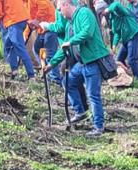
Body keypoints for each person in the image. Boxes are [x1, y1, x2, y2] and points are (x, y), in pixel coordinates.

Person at [42, 0, 110, 136]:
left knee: (93, 95)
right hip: (82, 63)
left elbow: (87, 32)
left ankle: (98, 127)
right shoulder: (70, 24)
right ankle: (80, 112)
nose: (60, 13)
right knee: (68, 82)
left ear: (66, 5)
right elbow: (64, 49)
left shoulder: (85, 13)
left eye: (60, 9)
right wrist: (51, 65)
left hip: (93, 61)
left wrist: (70, 41)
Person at [0, 0, 35, 79]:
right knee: (8, 45)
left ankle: (31, 75)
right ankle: (14, 71)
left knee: (19, 47)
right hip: (22, 18)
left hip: (13, 20)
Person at [103, 0, 138, 78]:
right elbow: (117, 33)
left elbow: (116, 4)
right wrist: (114, 46)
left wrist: (108, 9)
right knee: (119, 59)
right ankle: (127, 75)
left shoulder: (120, 11)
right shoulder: (112, 20)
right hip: (126, 40)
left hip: (133, 36)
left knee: (132, 60)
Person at [27, 0, 60, 85]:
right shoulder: (25, 3)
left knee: (50, 54)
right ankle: (46, 70)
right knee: (37, 49)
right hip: (42, 30)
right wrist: (26, 36)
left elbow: (44, 7)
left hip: (50, 27)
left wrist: (37, 20)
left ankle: (55, 79)